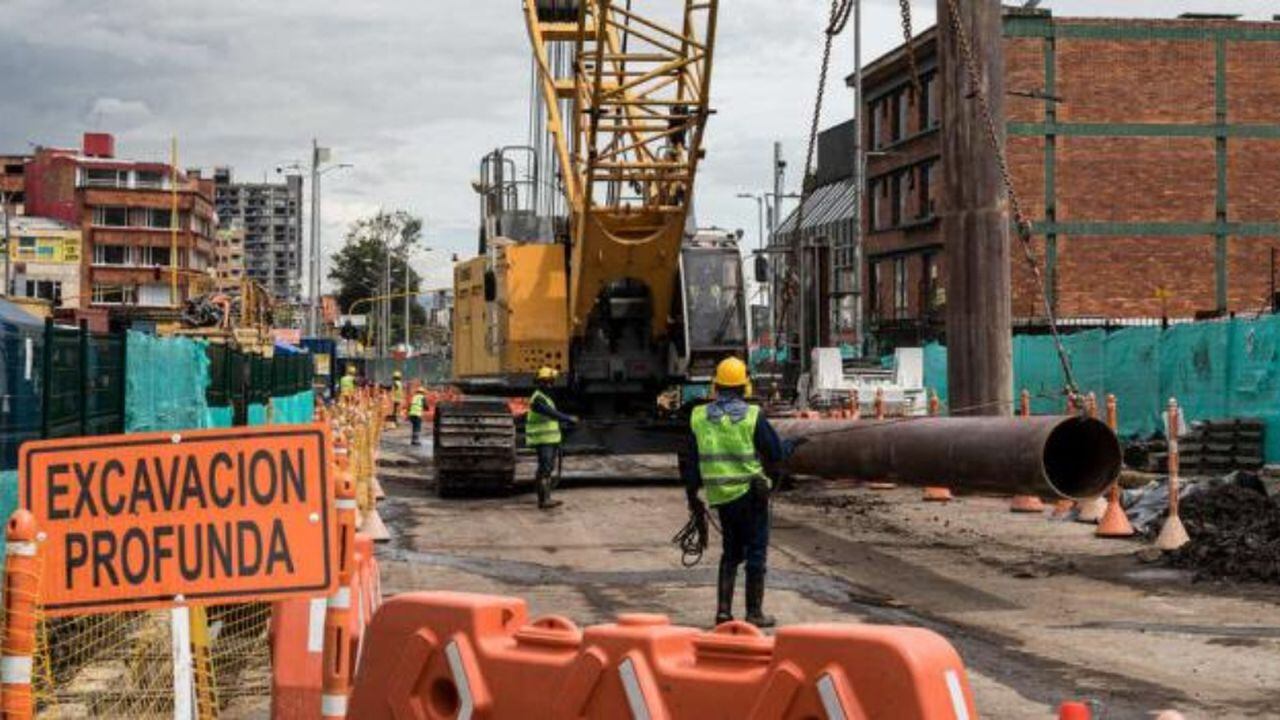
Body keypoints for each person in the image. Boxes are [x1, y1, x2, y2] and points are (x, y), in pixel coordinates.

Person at [684, 356, 800, 628]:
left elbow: (689, 461)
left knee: (731, 552)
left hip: (722, 497)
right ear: (744, 387)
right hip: (751, 494)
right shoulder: (752, 416)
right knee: (756, 551)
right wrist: (792, 445)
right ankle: (754, 613)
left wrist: (692, 497)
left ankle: (723, 612)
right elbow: (775, 453)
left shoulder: (699, 417)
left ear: (717, 386)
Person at [526, 366, 577, 510]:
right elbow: (551, 413)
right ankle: (543, 500)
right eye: (549, 382)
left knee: (547, 468)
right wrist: (568, 418)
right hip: (543, 440)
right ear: (542, 382)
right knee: (545, 468)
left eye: (551, 382)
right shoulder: (538, 399)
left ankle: (546, 498)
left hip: (550, 439)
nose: (551, 385)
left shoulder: (545, 397)